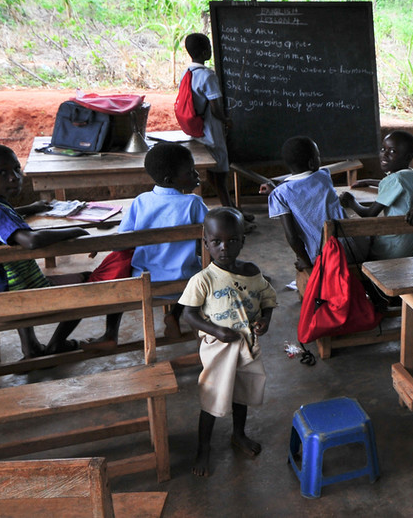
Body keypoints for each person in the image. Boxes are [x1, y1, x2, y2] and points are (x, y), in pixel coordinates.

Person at [0, 143, 89, 358]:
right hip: (9, 296)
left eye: (16, 169)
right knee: (90, 282)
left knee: (19, 271)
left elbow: (0, 218)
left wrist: (31, 209)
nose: (14, 177)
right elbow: (31, 240)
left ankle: (31, 347)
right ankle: (56, 344)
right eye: (2, 173)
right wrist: (74, 230)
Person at [178, 207, 276, 477]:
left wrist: (265, 320)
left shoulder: (253, 273)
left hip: (246, 345)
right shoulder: (203, 280)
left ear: (243, 241)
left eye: (232, 241)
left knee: (240, 393)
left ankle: (238, 435)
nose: (224, 247)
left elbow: (268, 300)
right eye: (216, 241)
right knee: (212, 396)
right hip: (218, 349)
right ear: (205, 243)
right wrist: (216, 331)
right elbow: (189, 313)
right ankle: (203, 448)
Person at [84, 142, 208, 348]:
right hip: (184, 283)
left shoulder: (141, 201)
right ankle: (175, 315)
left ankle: (109, 335)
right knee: (205, 273)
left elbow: (121, 242)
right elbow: (212, 235)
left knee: (121, 276)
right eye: (190, 172)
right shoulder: (193, 203)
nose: (197, 175)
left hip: (142, 281)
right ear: (170, 180)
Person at [268, 136, 352, 272]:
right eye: (318, 156)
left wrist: (306, 262)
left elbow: (292, 237)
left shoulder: (279, 194)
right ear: (312, 163)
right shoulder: (324, 177)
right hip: (352, 248)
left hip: (322, 258)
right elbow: (303, 187)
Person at [339, 130, 413, 260]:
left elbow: (369, 214)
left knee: (352, 245)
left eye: (392, 151)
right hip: (412, 244)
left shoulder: (395, 180)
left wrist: (351, 202)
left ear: (408, 157)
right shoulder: (410, 174)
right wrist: (368, 181)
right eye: (383, 149)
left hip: (394, 247)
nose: (384, 155)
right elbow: (393, 184)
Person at [182, 32, 241, 214]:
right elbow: (215, 109)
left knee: (214, 174)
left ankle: (231, 208)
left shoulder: (187, 72)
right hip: (211, 130)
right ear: (204, 51)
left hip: (196, 130)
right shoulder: (208, 76)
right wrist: (226, 120)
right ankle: (231, 213)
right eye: (208, 47)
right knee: (221, 174)